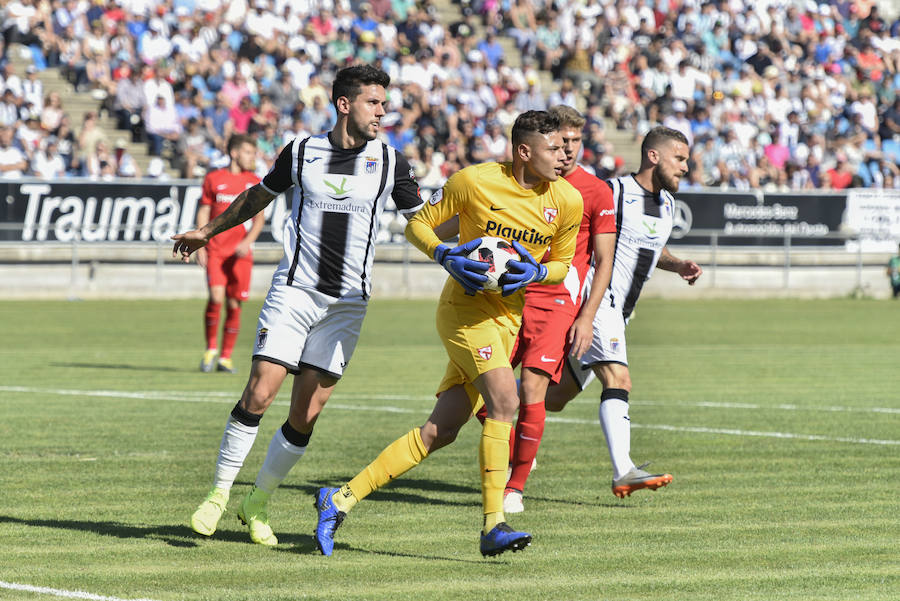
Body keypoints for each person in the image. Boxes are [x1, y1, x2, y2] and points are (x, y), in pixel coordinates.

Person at [313, 110, 583, 558]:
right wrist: (445, 254)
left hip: (506, 321)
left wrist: (538, 271)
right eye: (554, 148)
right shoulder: (472, 182)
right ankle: (493, 524)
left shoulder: (567, 200)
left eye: (566, 146)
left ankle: (339, 499)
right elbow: (417, 223)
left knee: (439, 431)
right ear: (524, 151)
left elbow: (563, 264)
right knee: (505, 400)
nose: (564, 154)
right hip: (462, 311)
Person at [173, 65, 423, 546]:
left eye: (385, 103)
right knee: (260, 392)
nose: (383, 111)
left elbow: (423, 220)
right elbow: (258, 197)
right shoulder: (302, 151)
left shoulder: (391, 161)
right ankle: (219, 494)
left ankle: (258, 501)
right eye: (375, 102)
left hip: (348, 304)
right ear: (345, 104)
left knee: (306, 414)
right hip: (296, 290)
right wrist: (206, 232)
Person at [544, 126, 703, 498]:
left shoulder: (666, 205)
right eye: (679, 159)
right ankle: (623, 471)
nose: (685, 167)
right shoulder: (613, 192)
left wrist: (677, 265)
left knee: (556, 397)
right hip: (598, 303)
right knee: (619, 379)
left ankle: (489, 396)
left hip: (621, 313)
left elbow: (649, 249)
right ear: (653, 156)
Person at [490, 105, 617, 514]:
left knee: (531, 390)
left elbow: (604, 261)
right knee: (482, 389)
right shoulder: (514, 182)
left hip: (557, 302)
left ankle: (515, 488)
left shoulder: (594, 191)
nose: (569, 151)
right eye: (561, 143)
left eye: (575, 142)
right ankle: (520, 449)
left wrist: (586, 317)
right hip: (508, 297)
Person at [196, 134, 265, 374]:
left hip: (240, 254)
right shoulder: (214, 178)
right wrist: (201, 242)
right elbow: (204, 211)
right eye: (248, 152)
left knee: (235, 303)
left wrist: (247, 242)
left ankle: (225, 357)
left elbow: (259, 219)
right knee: (216, 297)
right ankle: (210, 349)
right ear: (234, 153)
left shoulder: (254, 182)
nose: (252, 157)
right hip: (216, 250)